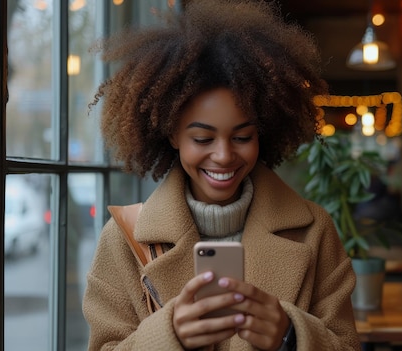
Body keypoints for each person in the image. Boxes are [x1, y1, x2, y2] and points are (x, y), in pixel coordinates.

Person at [82, 1, 360, 350]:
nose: (225, 155)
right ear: (172, 135)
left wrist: (290, 335)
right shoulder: (124, 239)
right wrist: (169, 337)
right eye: (202, 138)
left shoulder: (315, 232)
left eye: (243, 137)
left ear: (262, 132)